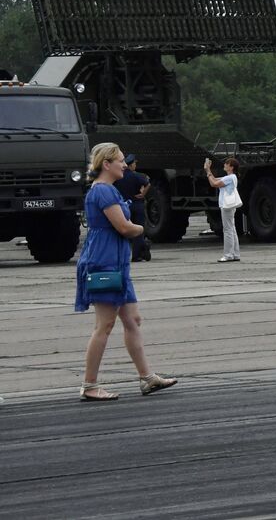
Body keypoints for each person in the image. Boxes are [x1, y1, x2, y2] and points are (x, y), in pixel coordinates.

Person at [75, 143, 177, 401]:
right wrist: (142, 229)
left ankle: (147, 377)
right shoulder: (104, 192)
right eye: (120, 161)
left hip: (117, 263)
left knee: (133, 319)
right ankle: (89, 385)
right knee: (104, 325)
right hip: (104, 262)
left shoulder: (107, 190)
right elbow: (124, 227)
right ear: (106, 164)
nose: (125, 165)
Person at [204, 157, 242, 262]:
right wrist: (209, 171)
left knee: (228, 229)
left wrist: (207, 170)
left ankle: (228, 254)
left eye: (226, 164)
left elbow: (214, 184)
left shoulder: (230, 177)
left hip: (226, 205)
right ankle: (235, 253)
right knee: (232, 229)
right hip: (230, 206)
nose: (224, 165)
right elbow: (215, 180)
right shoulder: (231, 177)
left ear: (231, 167)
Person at [115, 153, 151, 262]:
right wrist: (143, 194)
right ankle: (137, 255)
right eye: (135, 163)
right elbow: (148, 184)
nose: (135, 165)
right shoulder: (135, 176)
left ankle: (120, 255)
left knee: (122, 231)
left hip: (123, 207)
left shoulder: (118, 176)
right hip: (137, 205)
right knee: (138, 231)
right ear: (130, 165)